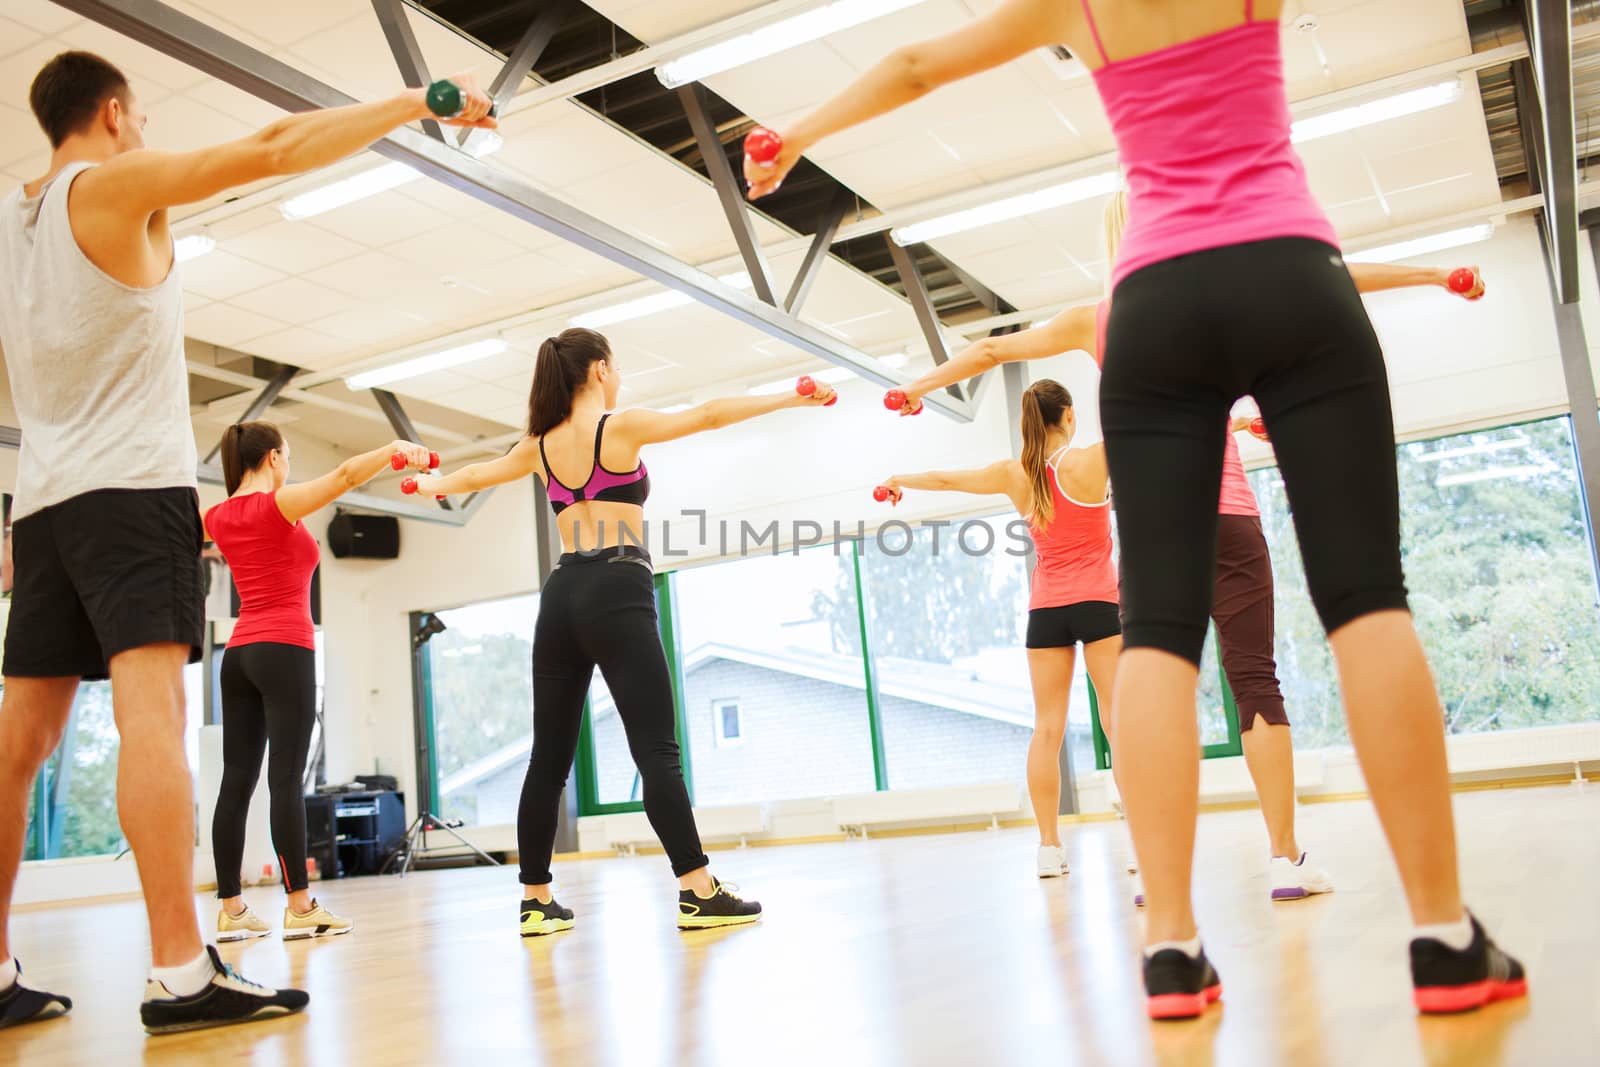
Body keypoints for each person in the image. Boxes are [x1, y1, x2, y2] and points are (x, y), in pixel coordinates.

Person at [746, 0, 1524, 1022]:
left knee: (1156, 633)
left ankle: (1170, 948)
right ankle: (1441, 935)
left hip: (1152, 298)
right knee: (1366, 599)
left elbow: (918, 61)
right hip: (1289, 267)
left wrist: (797, 133)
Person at [0, 49, 492, 1033]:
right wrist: (407, 99)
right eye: (136, 117)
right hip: (129, 492)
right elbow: (271, 148)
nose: (142, 133)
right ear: (110, 112)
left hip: (42, 503)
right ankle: (181, 971)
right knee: (152, 718)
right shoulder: (107, 182)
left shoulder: (15, 223)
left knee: (18, 748)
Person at [893, 192, 1486, 906]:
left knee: (1152, 695)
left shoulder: (1101, 318)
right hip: (1229, 519)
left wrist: (918, 388)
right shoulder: (1224, 288)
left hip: (1155, 530)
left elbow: (993, 348)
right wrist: (1433, 275)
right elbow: (1332, 275)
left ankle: (1162, 880)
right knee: (1255, 681)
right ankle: (1284, 859)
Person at [413, 328, 836, 935]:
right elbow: (711, 415)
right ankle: (697, 890)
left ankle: (536, 901)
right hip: (618, 587)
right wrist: (790, 399)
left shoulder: (539, 445)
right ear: (601, 369)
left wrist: (428, 485)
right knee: (657, 753)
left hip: (561, 595)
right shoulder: (620, 427)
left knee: (546, 762)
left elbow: (478, 474)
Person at [876, 381, 1119, 878]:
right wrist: (1240, 423)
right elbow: (1164, 430)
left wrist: (899, 477)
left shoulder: (1016, 475)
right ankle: (1141, 839)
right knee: (1117, 721)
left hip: (1047, 609)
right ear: (1068, 417)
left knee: (1047, 728)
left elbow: (947, 481)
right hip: (1097, 601)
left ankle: (1049, 848)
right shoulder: (1093, 461)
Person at [205, 424, 433, 943]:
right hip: (284, 649)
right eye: (286, 454)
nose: (288, 464)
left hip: (237, 654)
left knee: (236, 782)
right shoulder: (276, 504)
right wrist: (395, 449)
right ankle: (300, 906)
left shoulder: (216, 516)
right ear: (271, 458)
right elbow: (347, 474)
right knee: (285, 780)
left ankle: (232, 910)